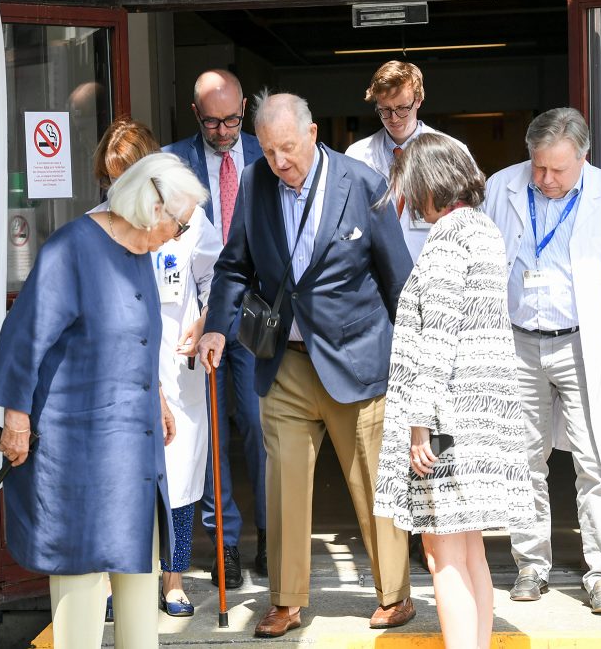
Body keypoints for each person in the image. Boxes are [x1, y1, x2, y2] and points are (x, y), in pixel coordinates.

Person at [198, 91, 416, 638]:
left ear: (314, 134)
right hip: (287, 361)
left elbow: (399, 280)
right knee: (285, 483)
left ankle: (395, 594)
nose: (279, 163)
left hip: (356, 357)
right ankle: (287, 600)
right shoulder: (255, 183)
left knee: (371, 482)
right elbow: (233, 265)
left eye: (288, 150)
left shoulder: (363, 184)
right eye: (269, 152)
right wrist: (218, 327)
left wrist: (415, 362)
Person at [0, 152, 208, 647]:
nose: (179, 234)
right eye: (179, 222)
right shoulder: (73, 248)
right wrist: (15, 419)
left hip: (133, 447)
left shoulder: (139, 255)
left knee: (138, 578)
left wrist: (160, 402)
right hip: (76, 452)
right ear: (153, 210)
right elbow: (25, 339)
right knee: (81, 581)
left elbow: (138, 341)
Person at [482, 107, 601, 615]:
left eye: (558, 169)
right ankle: (530, 566)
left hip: (587, 343)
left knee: (597, 459)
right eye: (538, 166)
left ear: (583, 156)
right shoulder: (502, 187)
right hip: (517, 342)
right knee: (522, 458)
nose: (545, 179)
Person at [374, 133, 534, 649]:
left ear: (428, 184)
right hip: (480, 418)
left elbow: (437, 337)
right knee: (470, 554)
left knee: (442, 555)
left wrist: (420, 425)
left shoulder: (446, 239)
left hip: (442, 423)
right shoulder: (484, 230)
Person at [92, 117, 223, 618]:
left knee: (182, 477)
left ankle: (173, 578)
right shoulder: (98, 224)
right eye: (112, 177)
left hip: (178, 365)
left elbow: (218, 277)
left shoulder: (186, 219)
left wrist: (208, 320)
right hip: (121, 370)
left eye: (128, 174)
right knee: (118, 477)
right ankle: (112, 582)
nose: (118, 187)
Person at [163, 69, 267, 588]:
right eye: (212, 122)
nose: (223, 131)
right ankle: (225, 545)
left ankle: (271, 536)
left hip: (254, 313)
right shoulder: (170, 162)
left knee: (260, 427)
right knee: (208, 435)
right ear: (194, 112)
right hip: (193, 320)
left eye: (231, 120)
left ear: (244, 107)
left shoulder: (266, 152)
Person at [346, 60, 470, 262]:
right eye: (384, 110)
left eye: (402, 108)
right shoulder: (357, 155)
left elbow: (470, 221)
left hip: (437, 266)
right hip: (378, 270)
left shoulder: (453, 151)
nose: (394, 118)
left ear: (419, 99)